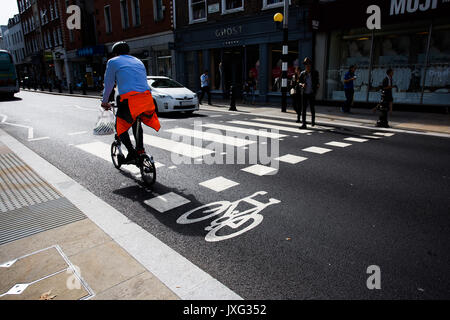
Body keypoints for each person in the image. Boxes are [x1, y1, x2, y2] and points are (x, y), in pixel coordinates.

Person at [101, 41, 161, 165]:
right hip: (147, 99)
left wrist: (104, 102)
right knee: (136, 123)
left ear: (115, 53)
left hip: (130, 100)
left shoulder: (113, 62)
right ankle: (140, 150)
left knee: (120, 128)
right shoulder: (138, 61)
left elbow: (109, 84)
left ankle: (132, 152)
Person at [299, 57, 320, 129]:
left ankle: (313, 121)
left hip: (311, 93)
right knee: (304, 109)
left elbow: (317, 82)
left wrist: (317, 86)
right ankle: (304, 124)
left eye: (308, 64)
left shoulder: (315, 73)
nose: (307, 66)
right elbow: (299, 83)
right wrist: (302, 85)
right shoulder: (302, 73)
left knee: (312, 108)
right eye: (306, 64)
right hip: (304, 93)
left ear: (310, 65)